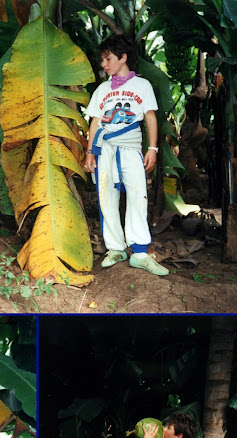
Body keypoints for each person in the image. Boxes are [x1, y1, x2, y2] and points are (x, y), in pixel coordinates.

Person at [85, 34, 169, 276]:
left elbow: (150, 117)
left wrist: (152, 148)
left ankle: (140, 252)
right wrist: (91, 151)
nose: (104, 64)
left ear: (123, 57)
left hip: (131, 148)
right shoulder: (102, 90)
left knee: (137, 195)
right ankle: (115, 248)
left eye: (108, 59)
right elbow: (95, 121)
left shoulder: (142, 86)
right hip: (105, 149)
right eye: (102, 60)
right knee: (106, 197)